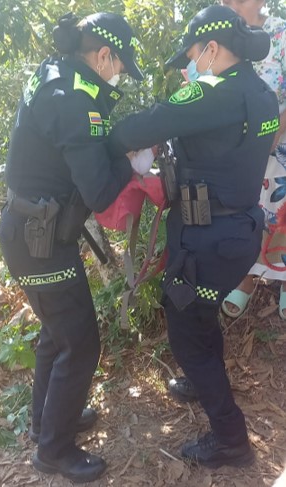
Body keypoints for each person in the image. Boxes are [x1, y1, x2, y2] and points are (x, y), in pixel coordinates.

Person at [108, 5, 278, 468]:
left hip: (206, 237)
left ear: (212, 48)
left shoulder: (211, 94)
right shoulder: (261, 94)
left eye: (191, 55)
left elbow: (133, 128)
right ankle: (201, 379)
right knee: (201, 315)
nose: (188, 66)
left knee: (185, 331)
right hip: (238, 229)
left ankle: (230, 441)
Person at [0, 12, 143, 484]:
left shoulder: (53, 73)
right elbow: (100, 192)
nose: (118, 75)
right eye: (119, 65)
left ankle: (46, 423)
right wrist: (131, 161)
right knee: (80, 340)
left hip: (31, 230)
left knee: (56, 334)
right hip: (38, 239)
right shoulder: (73, 99)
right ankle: (53, 450)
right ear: (103, 54)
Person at [221, 0, 286, 319]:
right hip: (239, 148)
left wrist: (275, 131)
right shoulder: (222, 36)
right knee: (247, 212)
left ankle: (285, 280)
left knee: (282, 211)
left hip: (281, 144)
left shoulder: (281, 33)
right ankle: (246, 277)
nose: (229, 4)